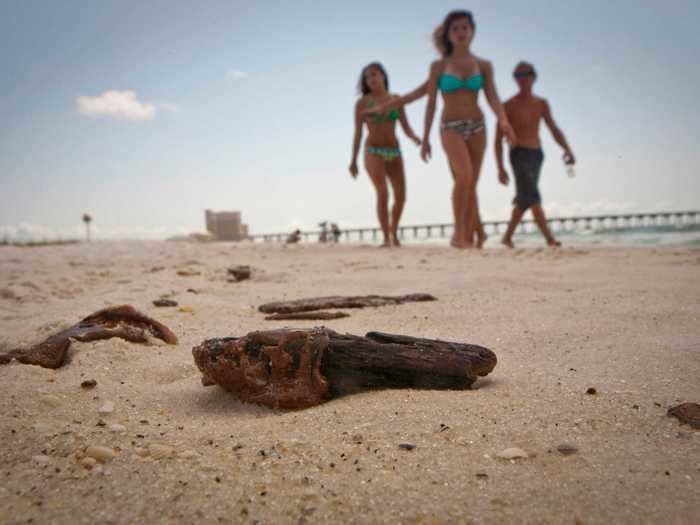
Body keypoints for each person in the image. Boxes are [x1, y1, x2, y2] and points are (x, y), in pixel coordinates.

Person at [367, 11, 515, 249]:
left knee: (470, 184)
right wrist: (424, 138)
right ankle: (459, 233)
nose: (460, 32)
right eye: (455, 28)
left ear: (472, 31)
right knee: (464, 177)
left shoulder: (484, 65)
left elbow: (493, 97)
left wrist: (504, 121)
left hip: (478, 127)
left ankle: (471, 234)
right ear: (448, 34)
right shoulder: (438, 66)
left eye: (465, 27)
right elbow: (429, 100)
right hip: (450, 127)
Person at [495, 61, 576, 248]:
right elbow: (497, 140)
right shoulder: (507, 105)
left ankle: (507, 237)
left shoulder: (541, 104)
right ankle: (550, 239)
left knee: (525, 198)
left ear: (533, 77)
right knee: (533, 196)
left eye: (526, 74)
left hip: (537, 155)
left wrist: (567, 149)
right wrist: (500, 167)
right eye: (518, 75)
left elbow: (554, 129)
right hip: (518, 154)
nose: (522, 79)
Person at [349, 62, 421, 247]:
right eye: (367, 77)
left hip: (394, 152)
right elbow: (358, 133)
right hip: (373, 151)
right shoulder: (363, 103)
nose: (371, 79)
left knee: (401, 196)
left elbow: (405, 126)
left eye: (374, 74)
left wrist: (414, 138)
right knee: (383, 192)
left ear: (383, 76)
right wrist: (353, 160)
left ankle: (394, 232)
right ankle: (386, 238)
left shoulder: (396, 99)